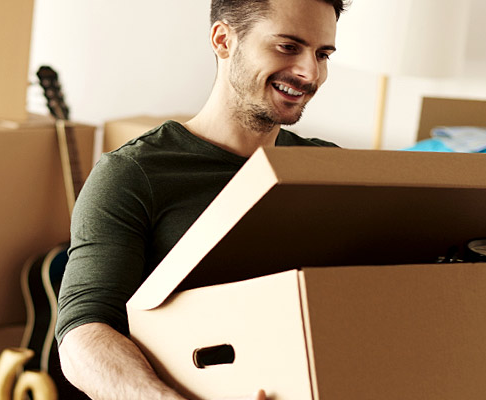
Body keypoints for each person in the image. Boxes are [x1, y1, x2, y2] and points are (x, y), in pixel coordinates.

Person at [53, 0, 347, 399]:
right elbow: (81, 333)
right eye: (288, 47)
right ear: (224, 40)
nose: (309, 73)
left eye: (322, 54)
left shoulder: (327, 168)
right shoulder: (134, 174)